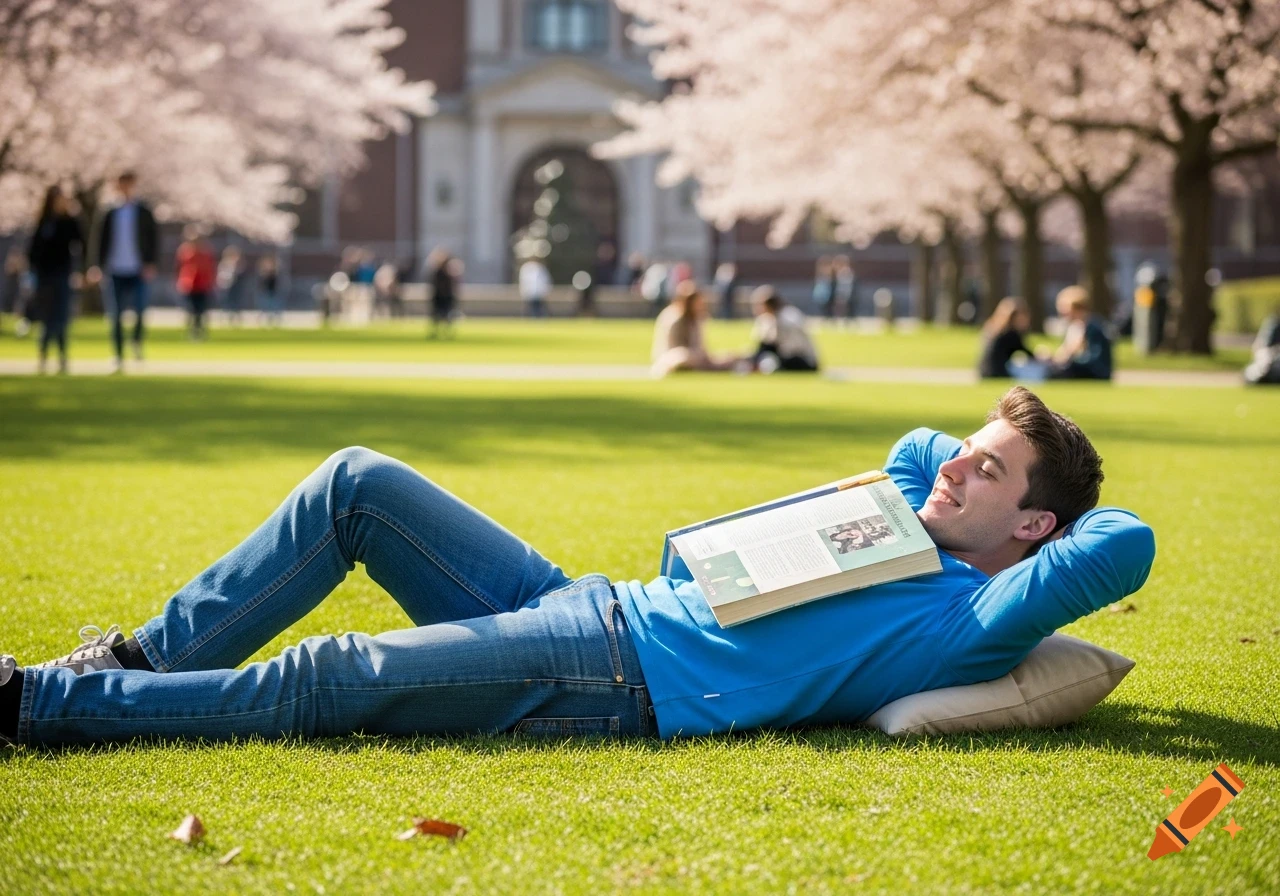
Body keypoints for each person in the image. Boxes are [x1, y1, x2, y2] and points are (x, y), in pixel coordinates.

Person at [0, 388, 1155, 747]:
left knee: (344, 668)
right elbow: (915, 452)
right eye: (969, 450)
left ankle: (41, 702)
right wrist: (960, 480)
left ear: (1034, 532)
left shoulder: (976, 616)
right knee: (356, 479)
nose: (952, 465)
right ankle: (144, 657)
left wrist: (996, 521)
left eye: (991, 473)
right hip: (588, 598)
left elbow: (1125, 542)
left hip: (623, 677)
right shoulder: (911, 514)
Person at [89, 171, 158, 373]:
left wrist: (150, 263)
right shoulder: (109, 211)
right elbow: (99, 241)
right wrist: (97, 266)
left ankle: (136, 341)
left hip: (137, 269)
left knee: (139, 309)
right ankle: (118, 354)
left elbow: (153, 239)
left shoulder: (143, 211)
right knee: (116, 314)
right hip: (115, 269)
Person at [26, 185, 84, 374]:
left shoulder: (69, 222)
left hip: (62, 274)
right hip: (45, 275)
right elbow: (33, 250)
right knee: (47, 317)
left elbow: (80, 242)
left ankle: (62, 356)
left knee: (61, 316)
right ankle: (43, 355)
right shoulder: (43, 222)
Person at [651, 281, 736, 376]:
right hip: (674, 356)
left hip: (695, 356)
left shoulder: (697, 318)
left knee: (728, 357)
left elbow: (700, 347)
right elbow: (675, 349)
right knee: (683, 356)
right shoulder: (674, 317)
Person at [1043, 286, 1113, 381]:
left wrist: (1071, 361)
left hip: (1095, 372)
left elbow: (1095, 359)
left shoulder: (1093, 328)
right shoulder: (1074, 327)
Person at [746, 286, 819, 373]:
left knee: (767, 361)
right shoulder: (768, 319)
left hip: (802, 360)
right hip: (785, 356)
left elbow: (792, 348)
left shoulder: (789, 317)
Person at [174, 226, 217, 341]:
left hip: (202, 284)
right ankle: (192, 331)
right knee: (191, 310)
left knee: (201, 310)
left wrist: (211, 282)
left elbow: (209, 268)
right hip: (189, 284)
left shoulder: (205, 252)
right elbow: (179, 268)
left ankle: (201, 331)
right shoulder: (185, 251)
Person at [978, 297, 1035, 379]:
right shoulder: (1010, 333)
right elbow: (1026, 352)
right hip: (998, 372)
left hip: (984, 371)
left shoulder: (994, 330)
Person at [426, 247, 458, 338]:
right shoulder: (437, 272)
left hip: (446, 296)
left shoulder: (448, 272)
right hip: (439, 296)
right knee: (436, 316)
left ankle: (447, 333)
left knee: (447, 316)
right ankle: (435, 332)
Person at [218, 246, 252, 327]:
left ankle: (236, 318)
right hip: (226, 287)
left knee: (236, 302)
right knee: (227, 303)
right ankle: (226, 317)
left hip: (236, 287)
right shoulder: (224, 265)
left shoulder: (239, 265)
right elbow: (222, 276)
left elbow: (242, 274)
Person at [1244, 310, 1280, 385]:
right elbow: (1264, 344)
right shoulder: (1273, 323)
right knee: (1265, 362)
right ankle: (1254, 377)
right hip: (1267, 351)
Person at [257, 254, 283, 326]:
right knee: (264, 307)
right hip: (265, 292)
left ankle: (275, 321)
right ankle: (262, 321)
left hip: (273, 291)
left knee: (274, 307)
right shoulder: (263, 273)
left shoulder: (275, 273)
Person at [833, 254, 858, 321]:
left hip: (844, 292)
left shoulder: (846, 271)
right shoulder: (842, 271)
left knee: (844, 307)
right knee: (840, 307)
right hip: (842, 292)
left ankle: (845, 318)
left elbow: (846, 284)